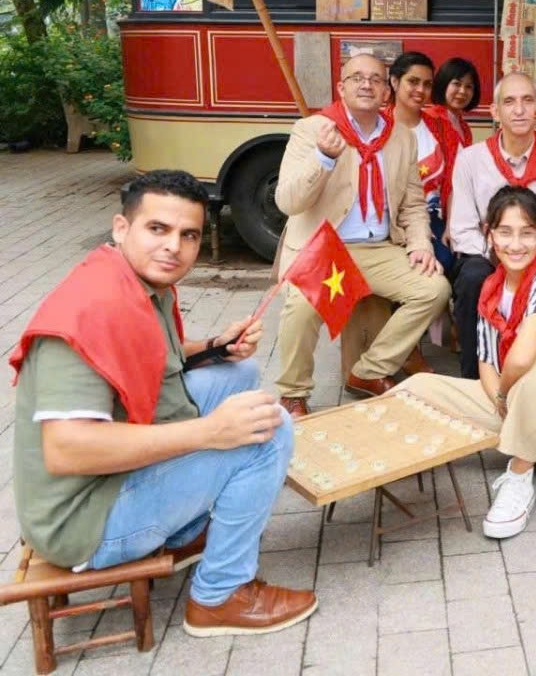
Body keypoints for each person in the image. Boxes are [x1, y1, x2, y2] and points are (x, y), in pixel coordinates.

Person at [10, 170, 317, 636]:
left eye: (188, 234)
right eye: (158, 229)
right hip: (81, 521)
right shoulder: (86, 313)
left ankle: (193, 515)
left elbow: (156, 357)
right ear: (121, 228)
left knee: (240, 374)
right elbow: (67, 449)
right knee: (268, 433)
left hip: (105, 483)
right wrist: (210, 434)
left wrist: (216, 344)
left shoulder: (135, 284)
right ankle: (220, 595)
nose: (173, 246)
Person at [403, 187, 536, 539]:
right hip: (520, 402)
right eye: (505, 232)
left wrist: (502, 397)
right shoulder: (491, 287)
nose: (515, 244)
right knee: (415, 388)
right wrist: (501, 399)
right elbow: (487, 363)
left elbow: (520, 358)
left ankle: (518, 479)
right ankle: (395, 457)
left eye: (527, 233)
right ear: (489, 234)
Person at [274, 54, 451, 418]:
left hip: (379, 246)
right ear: (341, 87)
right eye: (356, 78)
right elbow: (287, 201)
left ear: (387, 90)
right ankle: (293, 393)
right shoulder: (312, 130)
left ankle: (367, 372)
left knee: (434, 289)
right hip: (325, 248)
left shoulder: (399, 137)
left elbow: (414, 203)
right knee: (301, 306)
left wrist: (420, 244)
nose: (366, 84)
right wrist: (323, 159)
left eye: (375, 79)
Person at [449, 72, 536, 380]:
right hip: (490, 254)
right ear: (495, 112)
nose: (519, 110)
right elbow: (462, 228)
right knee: (472, 277)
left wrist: (534, 262)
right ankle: (475, 379)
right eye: (509, 102)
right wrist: (500, 255)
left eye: (528, 101)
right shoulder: (471, 160)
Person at [388, 51, 454, 272]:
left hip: (431, 217)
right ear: (395, 82)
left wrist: (450, 226)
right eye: (413, 82)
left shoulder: (441, 127)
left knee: (443, 260)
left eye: (427, 84)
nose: (420, 90)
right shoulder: (378, 126)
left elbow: (455, 182)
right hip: (387, 220)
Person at [426, 57, 481, 224]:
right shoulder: (431, 119)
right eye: (457, 84)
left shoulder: (464, 127)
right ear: (443, 84)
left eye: (469, 87)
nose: (463, 91)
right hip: (433, 209)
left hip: (456, 207)